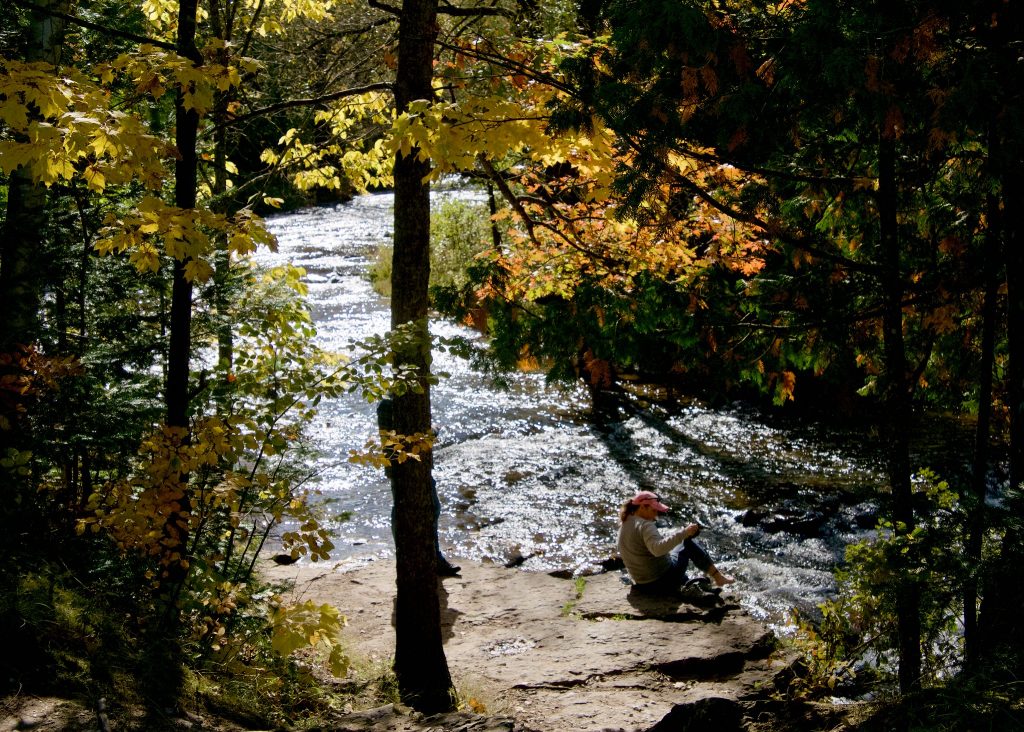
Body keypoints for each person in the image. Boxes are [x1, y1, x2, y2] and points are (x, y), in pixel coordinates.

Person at [617, 490, 734, 596]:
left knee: (677, 550)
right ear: (642, 507)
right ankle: (719, 578)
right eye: (653, 510)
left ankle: (689, 585)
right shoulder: (645, 525)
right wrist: (684, 533)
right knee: (686, 543)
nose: (655, 515)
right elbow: (657, 550)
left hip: (642, 584)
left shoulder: (625, 523)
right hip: (661, 581)